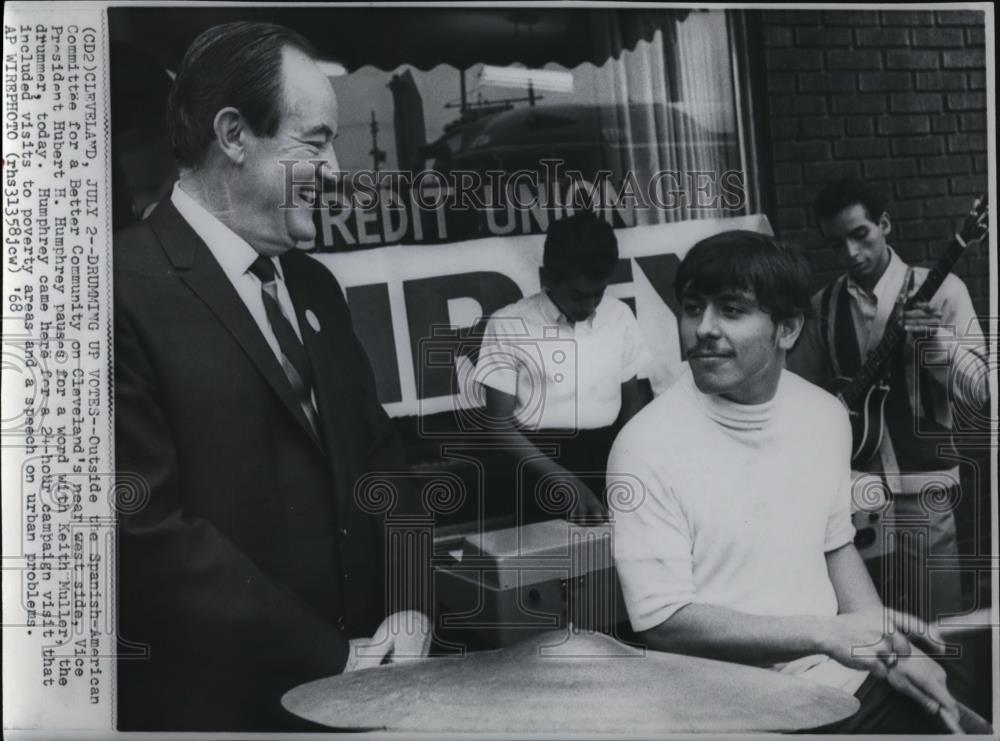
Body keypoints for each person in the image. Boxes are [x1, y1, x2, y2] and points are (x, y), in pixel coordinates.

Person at [114, 23, 429, 731]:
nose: (337, 167)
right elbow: (145, 533)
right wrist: (327, 657)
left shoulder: (315, 286)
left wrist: (411, 602)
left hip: (372, 691)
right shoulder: (117, 292)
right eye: (314, 141)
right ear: (233, 135)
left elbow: (383, 460)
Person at [609, 230, 966, 733]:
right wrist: (825, 634)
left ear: (788, 328)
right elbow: (664, 621)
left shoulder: (824, 416)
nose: (703, 329)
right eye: (692, 308)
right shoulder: (643, 445)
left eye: (731, 310)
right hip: (719, 708)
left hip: (835, 682)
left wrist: (883, 646)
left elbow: (833, 545)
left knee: (958, 714)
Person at [787, 179, 989, 623]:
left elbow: (981, 391)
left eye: (861, 235)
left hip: (925, 485)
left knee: (939, 623)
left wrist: (936, 344)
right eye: (837, 243)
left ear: (884, 224)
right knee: (872, 625)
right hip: (854, 490)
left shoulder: (942, 290)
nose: (851, 255)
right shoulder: (824, 306)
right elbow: (797, 394)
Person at [475, 211, 654, 522]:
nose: (589, 306)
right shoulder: (508, 323)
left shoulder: (620, 316)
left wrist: (624, 467)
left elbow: (634, 399)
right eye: (577, 295)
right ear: (547, 278)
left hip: (610, 461)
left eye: (598, 293)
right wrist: (561, 478)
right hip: (536, 468)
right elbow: (498, 424)